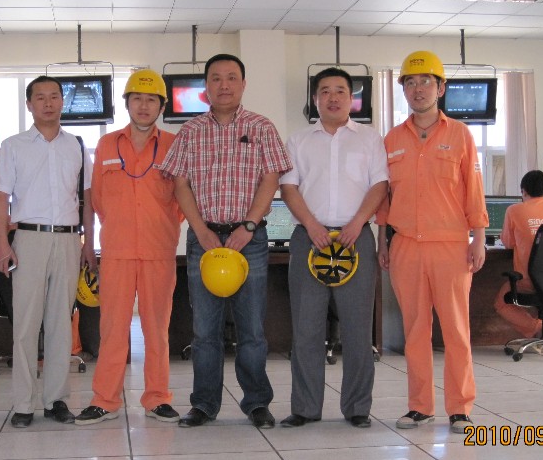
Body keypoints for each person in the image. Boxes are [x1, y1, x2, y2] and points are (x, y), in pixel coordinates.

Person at [159, 53, 292, 429]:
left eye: (232, 77)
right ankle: (203, 404)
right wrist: (200, 229)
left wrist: (248, 226)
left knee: (252, 328)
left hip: (249, 239)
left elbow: (271, 179)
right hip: (203, 239)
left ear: (243, 84)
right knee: (205, 330)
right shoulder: (190, 131)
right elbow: (180, 183)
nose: (224, 85)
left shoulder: (261, 127)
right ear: (206, 87)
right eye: (215, 78)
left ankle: (257, 402)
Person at [376, 50, 488, 434]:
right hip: (405, 245)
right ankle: (420, 407)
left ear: (440, 88)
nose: (418, 88)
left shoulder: (460, 135)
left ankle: (460, 408)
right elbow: (384, 197)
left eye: (425, 81)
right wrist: (383, 241)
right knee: (415, 331)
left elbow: (474, 190)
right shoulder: (392, 139)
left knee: (456, 330)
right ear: (403, 90)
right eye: (410, 82)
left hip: (450, 246)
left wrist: (479, 237)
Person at [279, 67, 388, 429]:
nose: (333, 97)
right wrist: (312, 225)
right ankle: (305, 408)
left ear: (351, 98)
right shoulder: (298, 141)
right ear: (315, 99)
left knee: (358, 329)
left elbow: (379, 185)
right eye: (325, 91)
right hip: (309, 238)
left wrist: (358, 222)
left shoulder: (370, 139)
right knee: (306, 329)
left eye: (340, 90)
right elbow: (289, 188)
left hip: (355, 238)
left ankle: (357, 407)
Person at [75, 70, 183, 425]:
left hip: (158, 251)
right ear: (126, 104)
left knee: (157, 329)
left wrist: (159, 226)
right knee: (112, 329)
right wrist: (100, 236)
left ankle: (157, 398)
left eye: (151, 100)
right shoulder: (107, 145)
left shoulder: (174, 145)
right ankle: (104, 400)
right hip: (117, 251)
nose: (143, 105)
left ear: (161, 107)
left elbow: (183, 199)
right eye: (137, 98)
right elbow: (97, 200)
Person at [0, 75, 96, 428]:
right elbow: (1, 199)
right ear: (29, 104)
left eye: (54, 96)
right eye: (40, 97)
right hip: (28, 239)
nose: (48, 103)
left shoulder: (77, 146)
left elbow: (87, 200)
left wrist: (89, 243)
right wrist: (1, 243)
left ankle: (56, 400)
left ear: (63, 102)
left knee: (60, 324)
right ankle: (23, 404)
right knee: (25, 325)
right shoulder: (13, 146)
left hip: (68, 240)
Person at [494, 170, 543, 338]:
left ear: (524, 191)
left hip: (527, 281)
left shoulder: (514, 211)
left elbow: (508, 243)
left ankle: (537, 327)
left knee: (501, 303)